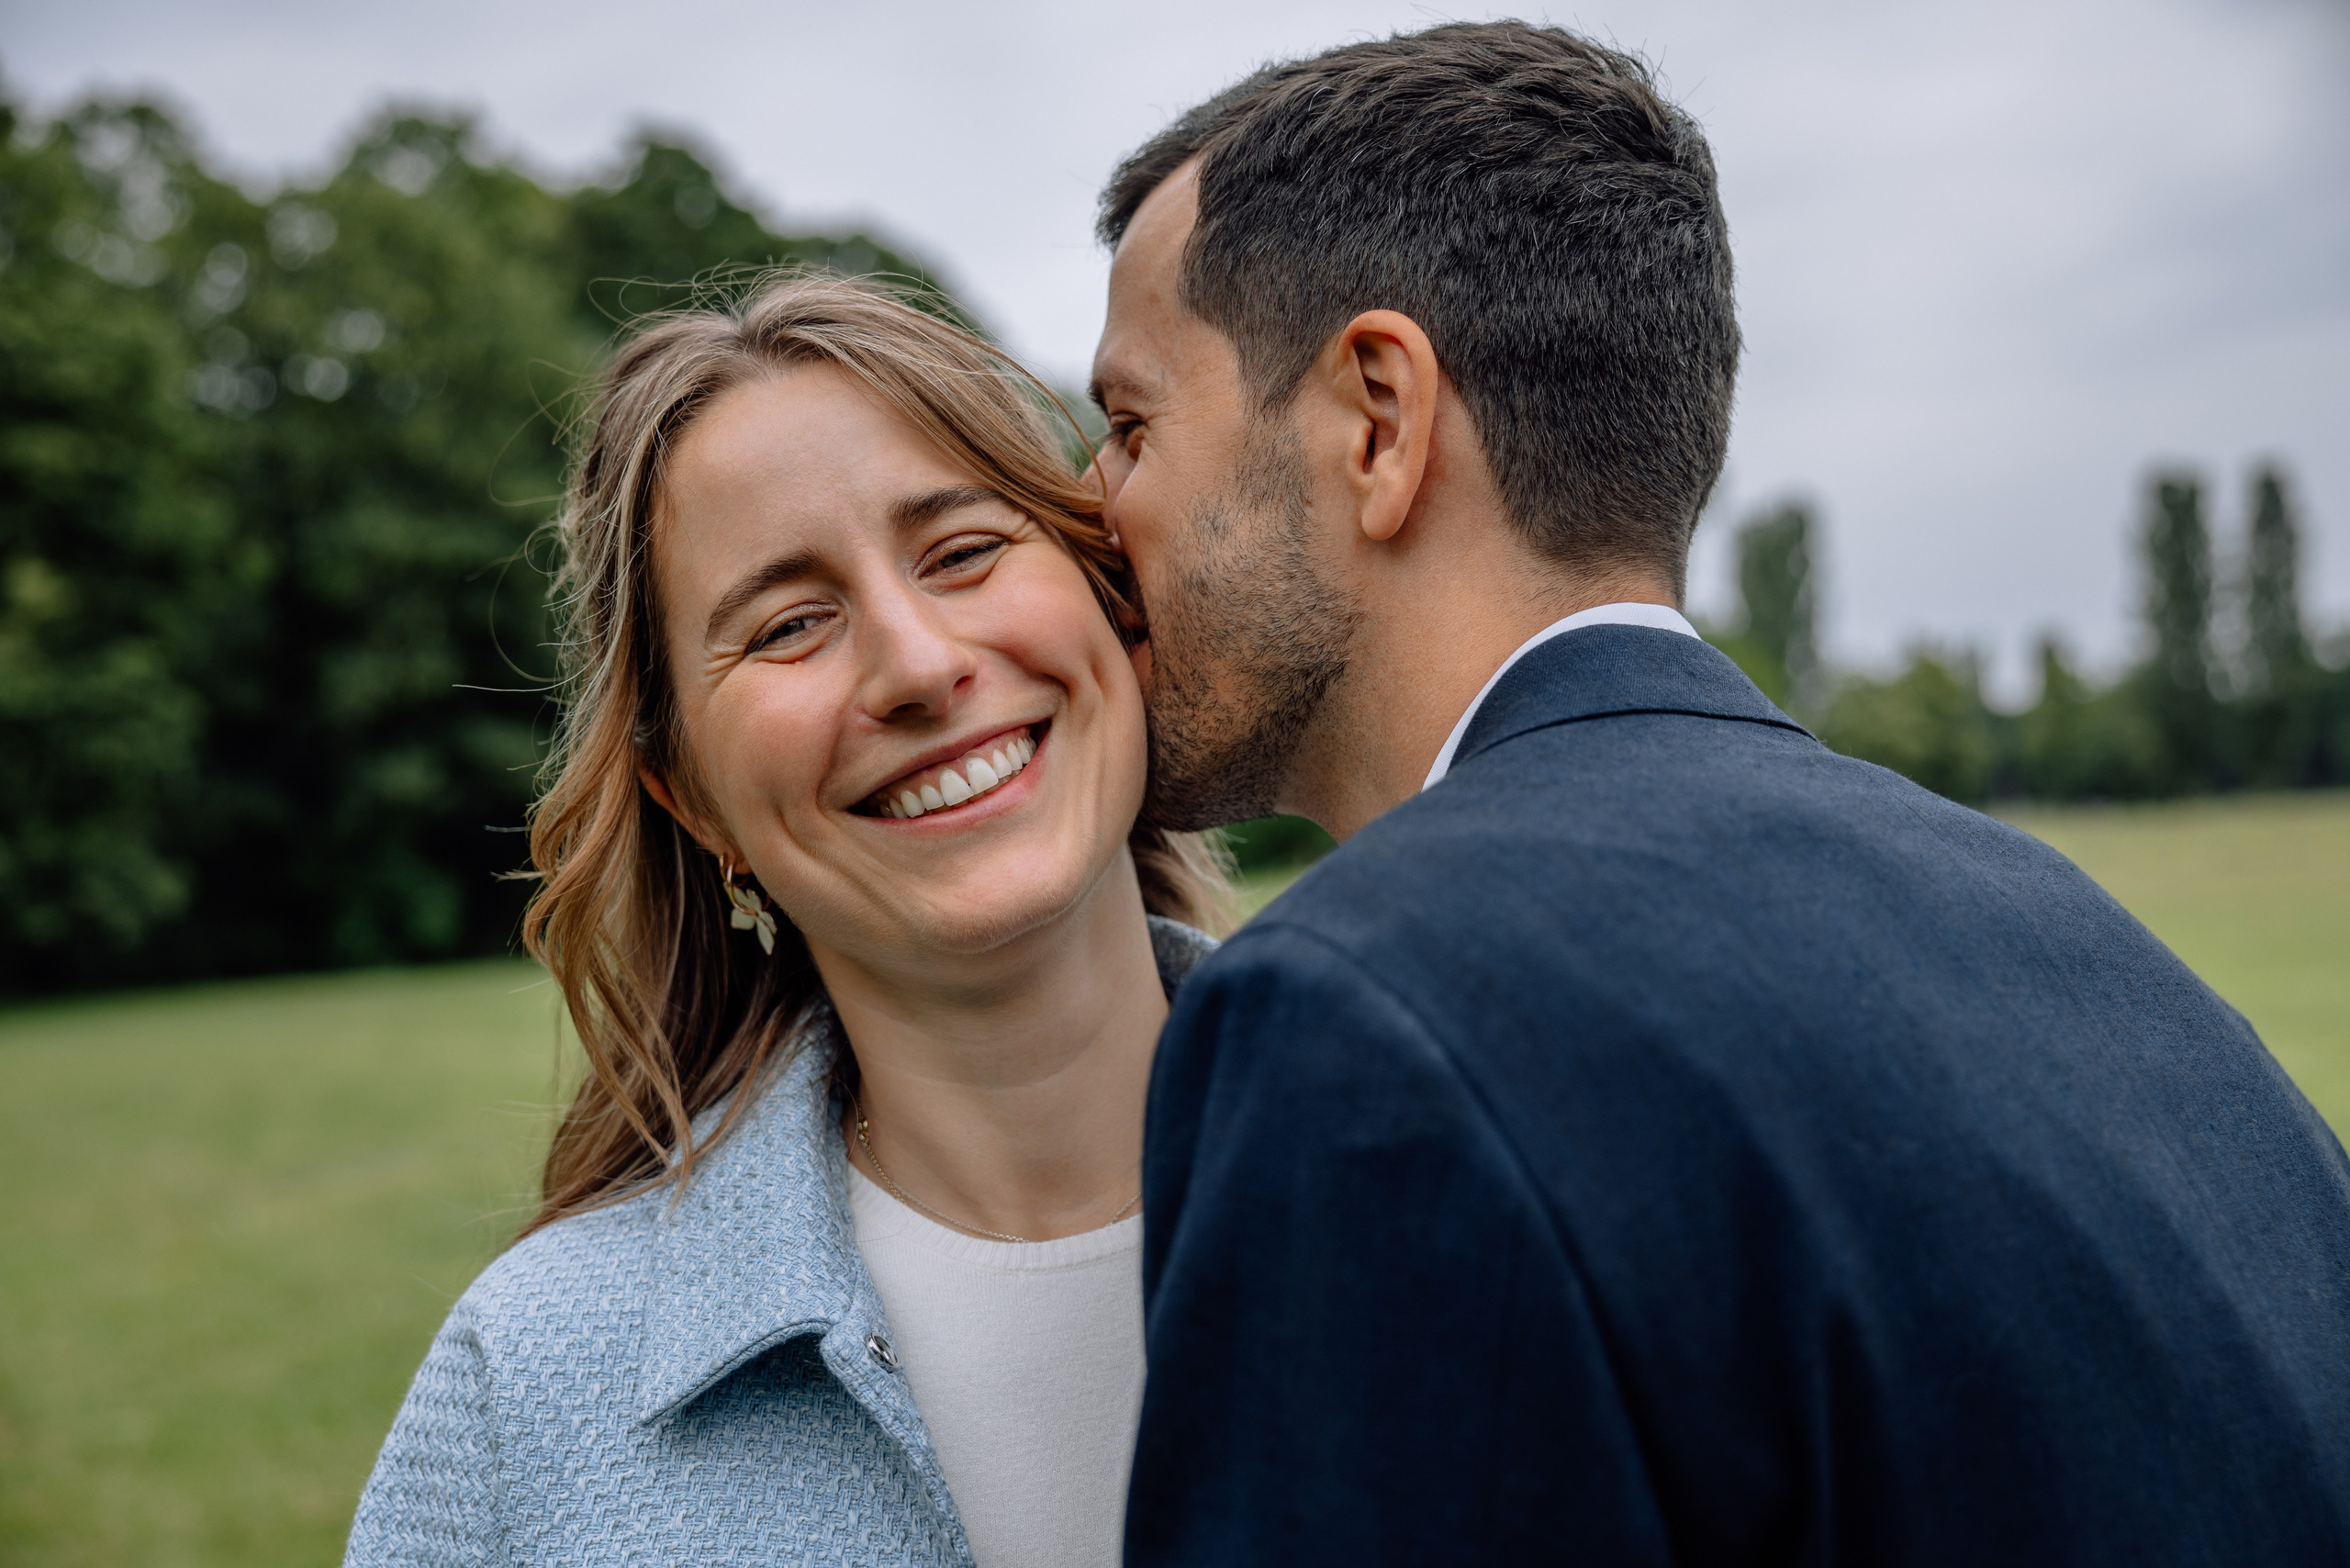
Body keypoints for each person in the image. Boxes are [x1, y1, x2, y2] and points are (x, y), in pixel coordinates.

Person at [1092, 21, 2350, 1564]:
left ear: (1377, 420)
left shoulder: (1359, 1017)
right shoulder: (2128, 982)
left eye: (1130, 427)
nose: (1092, 511)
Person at [343, 275, 1227, 1567]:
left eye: (963, 552)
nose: (919, 666)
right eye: (789, 625)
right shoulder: (525, 1388)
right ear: (692, 799)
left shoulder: (1473, 1168)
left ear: (1110, 594)